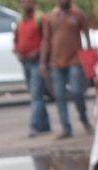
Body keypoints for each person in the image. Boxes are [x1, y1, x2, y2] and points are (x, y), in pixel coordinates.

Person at [39, 0, 92, 139]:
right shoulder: (50, 17)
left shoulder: (78, 14)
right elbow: (46, 39)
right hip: (56, 62)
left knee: (77, 91)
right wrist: (42, 63)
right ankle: (66, 128)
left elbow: (86, 34)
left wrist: (89, 56)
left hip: (75, 60)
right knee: (59, 96)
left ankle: (83, 117)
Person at [13, 0, 50, 137]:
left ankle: (34, 126)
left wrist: (41, 57)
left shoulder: (40, 18)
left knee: (36, 95)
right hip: (25, 62)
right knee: (35, 93)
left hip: (37, 62)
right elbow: (15, 41)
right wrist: (17, 53)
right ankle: (45, 125)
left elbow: (46, 39)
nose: (26, 4)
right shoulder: (19, 20)